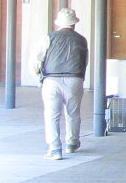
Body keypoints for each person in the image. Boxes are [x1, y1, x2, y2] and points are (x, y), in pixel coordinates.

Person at [33, 8, 88, 160]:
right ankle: (72, 143)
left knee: (52, 115)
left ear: (59, 23)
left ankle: (55, 149)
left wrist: (38, 75)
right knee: (73, 113)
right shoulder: (81, 40)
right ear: (74, 23)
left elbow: (37, 58)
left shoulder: (49, 37)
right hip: (74, 79)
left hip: (51, 80)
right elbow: (84, 61)